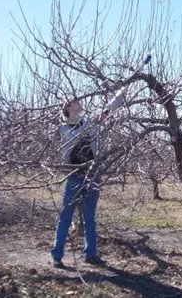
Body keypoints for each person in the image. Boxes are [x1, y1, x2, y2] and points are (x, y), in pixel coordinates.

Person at [51, 88, 126, 268]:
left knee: (89, 217)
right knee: (65, 216)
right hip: (74, 176)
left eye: (79, 102)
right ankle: (57, 255)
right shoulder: (62, 129)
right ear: (67, 108)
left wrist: (122, 91)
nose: (79, 104)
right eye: (74, 102)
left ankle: (90, 254)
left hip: (92, 176)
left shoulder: (90, 124)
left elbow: (108, 109)